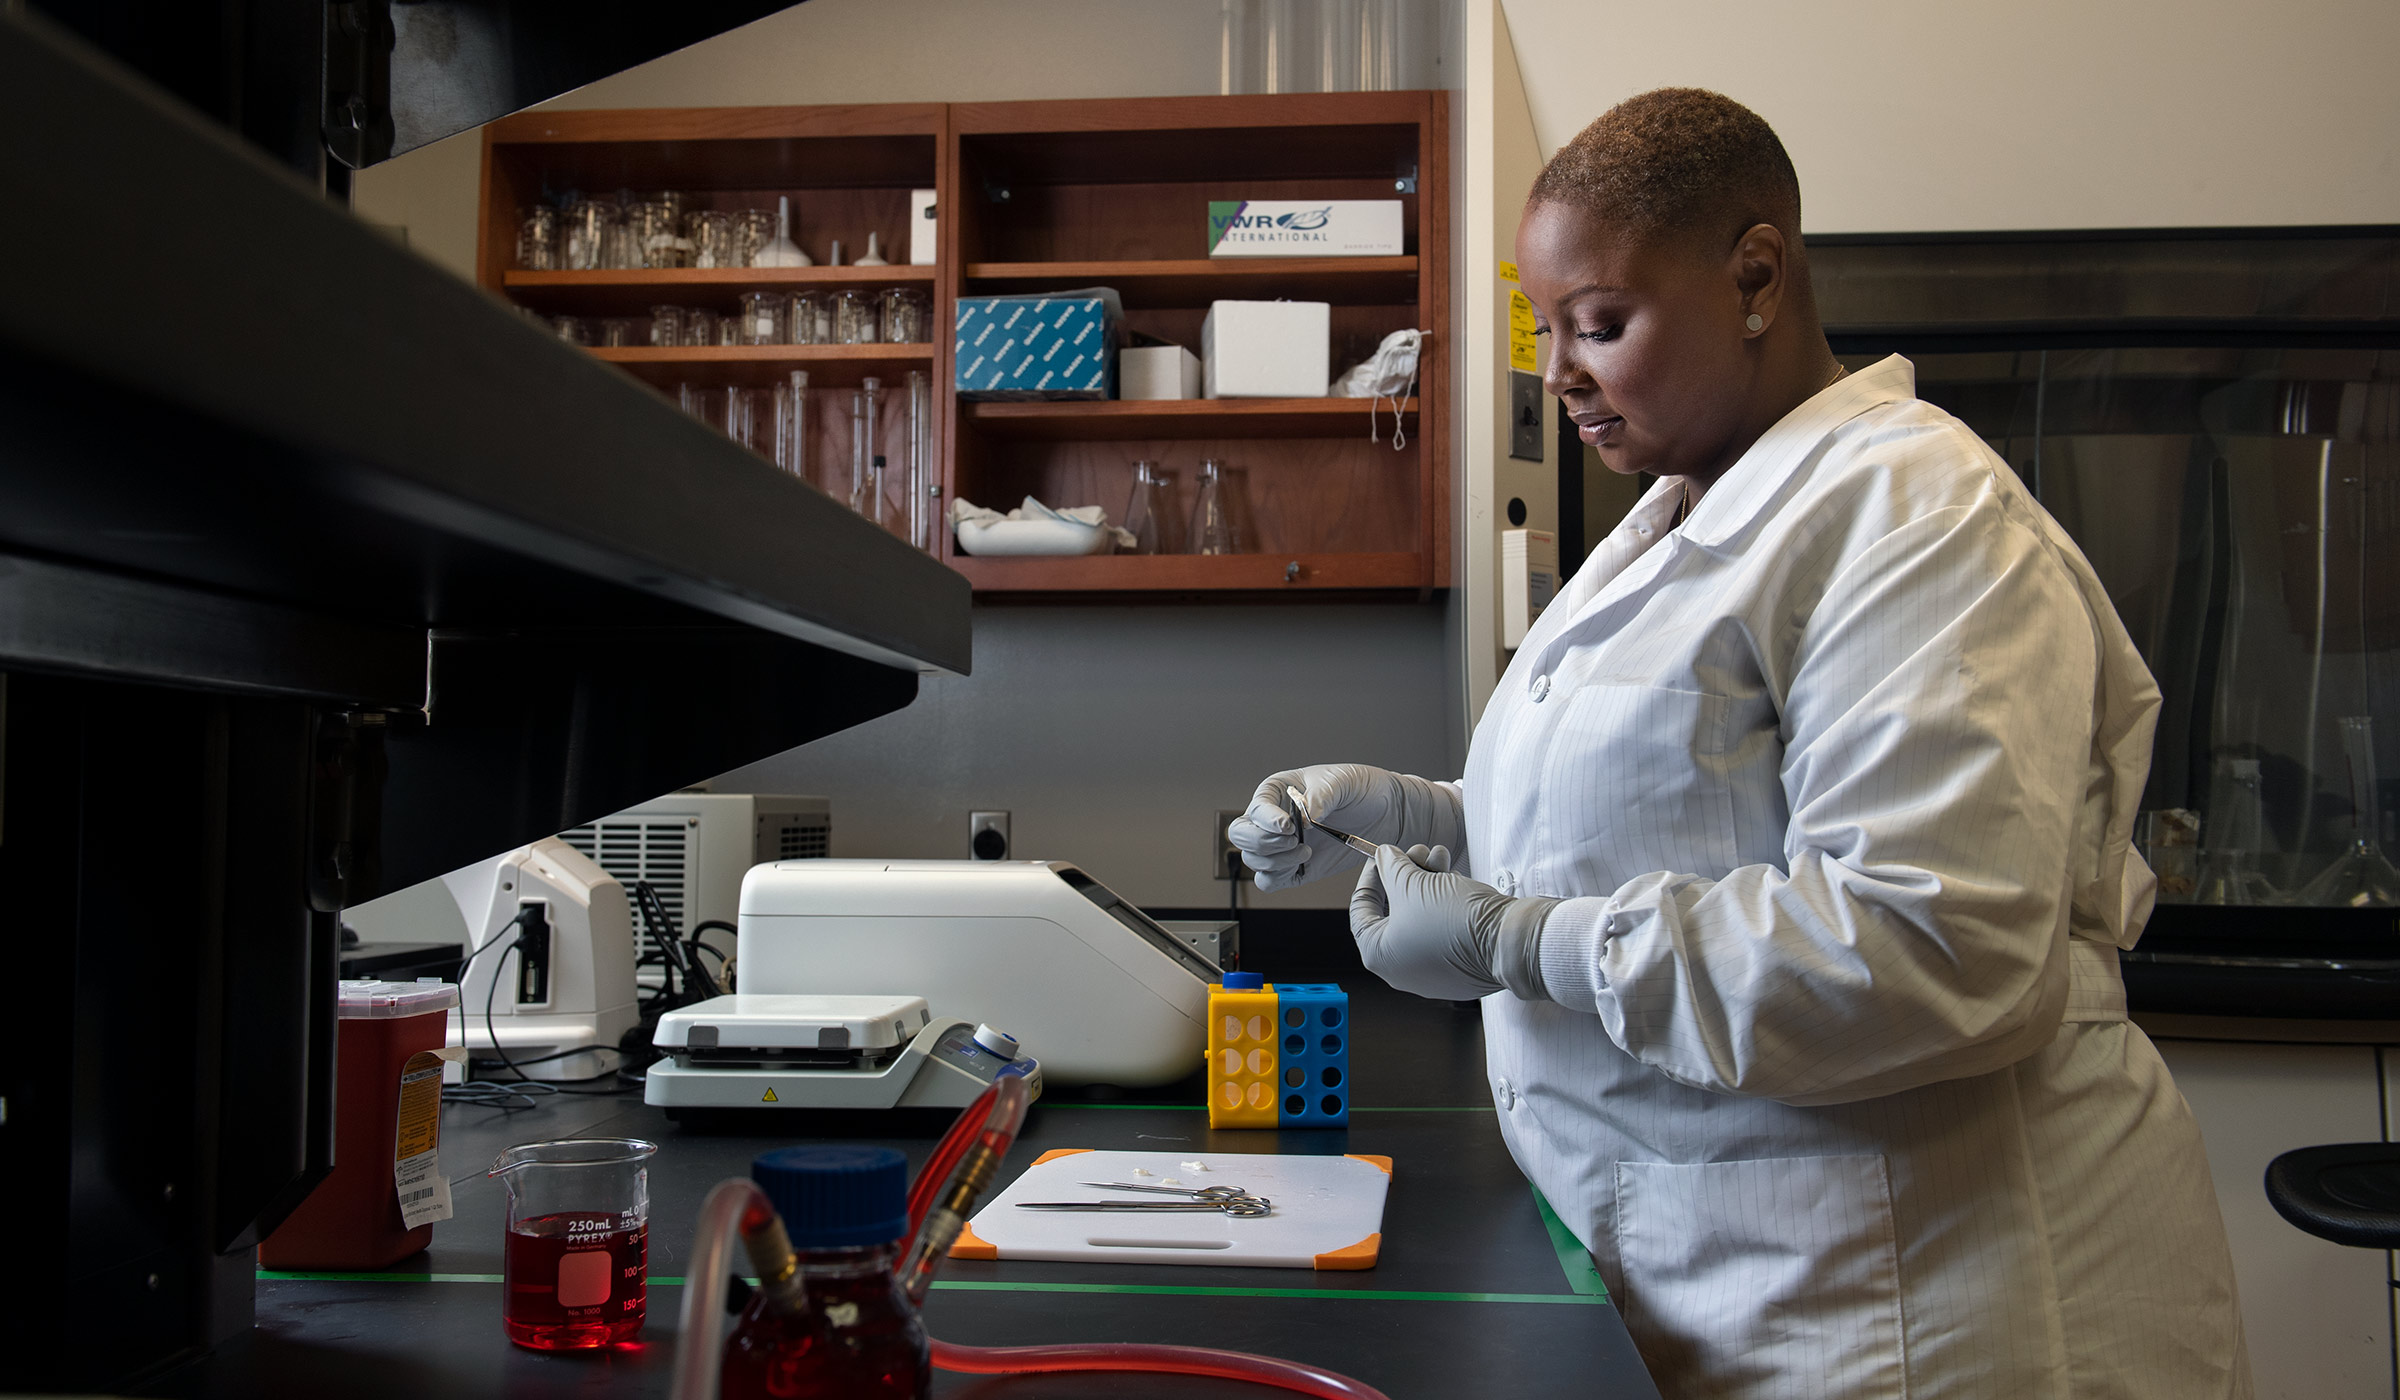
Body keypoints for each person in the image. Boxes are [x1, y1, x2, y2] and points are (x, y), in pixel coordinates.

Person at [1230, 88, 2251, 1398]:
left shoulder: (1917, 519)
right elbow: (1661, 815)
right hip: (1739, 1274)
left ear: (1756, 276)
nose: (1560, 373)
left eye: (1601, 324)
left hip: (1918, 1303)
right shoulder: (1674, 520)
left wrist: (1514, 943)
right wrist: (1426, 817)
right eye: (1547, 330)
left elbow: (1931, 943)